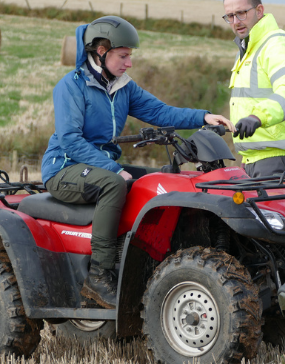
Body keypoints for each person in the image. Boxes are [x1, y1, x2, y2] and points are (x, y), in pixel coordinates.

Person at [40, 16, 234, 308]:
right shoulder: (71, 86)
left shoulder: (123, 87)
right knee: (114, 183)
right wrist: (114, 169)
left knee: (149, 182)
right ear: (101, 51)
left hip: (98, 167)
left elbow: (161, 112)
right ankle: (99, 275)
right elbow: (70, 141)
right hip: (64, 167)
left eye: (130, 55)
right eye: (124, 55)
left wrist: (203, 117)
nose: (129, 62)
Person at [222, 0, 285, 178]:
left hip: (283, 160)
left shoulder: (278, 45)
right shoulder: (248, 49)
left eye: (241, 13)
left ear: (259, 11)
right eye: (230, 16)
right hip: (255, 159)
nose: (236, 21)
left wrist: (257, 117)